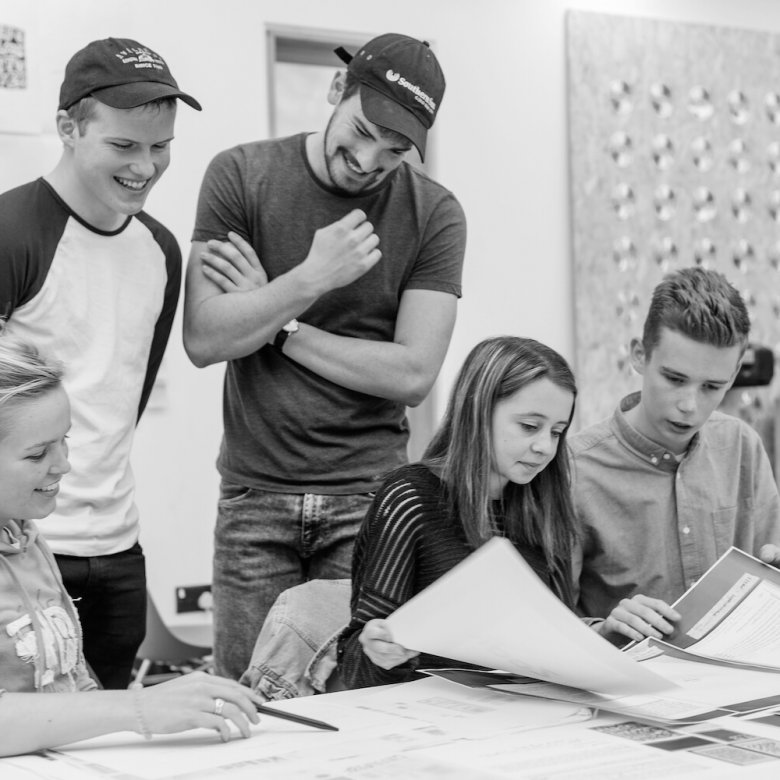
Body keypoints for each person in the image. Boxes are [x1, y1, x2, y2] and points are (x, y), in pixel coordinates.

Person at [183, 32, 467, 680]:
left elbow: (413, 374)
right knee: (243, 715)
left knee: (361, 711)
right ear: (336, 90)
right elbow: (205, 337)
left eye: (393, 150)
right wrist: (310, 278)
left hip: (368, 501)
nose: (368, 160)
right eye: (362, 131)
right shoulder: (241, 175)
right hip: (255, 498)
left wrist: (279, 320)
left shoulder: (435, 214)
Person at [0, 38, 201, 688]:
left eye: (160, 146)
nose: (146, 166)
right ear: (68, 128)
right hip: (24, 547)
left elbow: (126, 400)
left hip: (118, 550)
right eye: (124, 146)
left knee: (110, 737)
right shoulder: (12, 233)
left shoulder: (162, 251)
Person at [0, 335, 263, 757]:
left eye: (64, 439)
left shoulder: (26, 537)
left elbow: (72, 676)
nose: (64, 463)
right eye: (36, 454)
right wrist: (138, 707)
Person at [336, 336, 579, 689]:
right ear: (478, 412)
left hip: (522, 713)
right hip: (425, 720)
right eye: (529, 426)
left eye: (557, 432)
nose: (544, 447)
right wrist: (379, 653)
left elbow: (561, 644)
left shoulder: (544, 505)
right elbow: (355, 670)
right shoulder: (410, 498)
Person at [570, 267, 780, 645]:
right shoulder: (575, 470)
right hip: (623, 691)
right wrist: (602, 630)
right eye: (674, 378)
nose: (689, 406)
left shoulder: (742, 446)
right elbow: (546, 628)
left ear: (733, 376)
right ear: (639, 356)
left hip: (739, 684)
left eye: (712, 387)